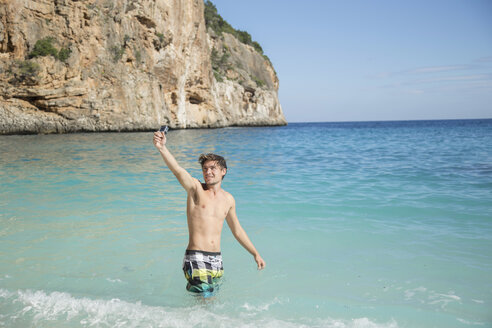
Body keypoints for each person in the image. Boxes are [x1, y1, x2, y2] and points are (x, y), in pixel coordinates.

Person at [153, 130, 266, 294]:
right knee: (206, 303)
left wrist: (255, 253)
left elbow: (237, 230)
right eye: (205, 169)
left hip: (216, 260)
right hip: (196, 257)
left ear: (223, 171)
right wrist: (162, 148)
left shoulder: (228, 199)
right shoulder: (195, 189)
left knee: (209, 305)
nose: (208, 172)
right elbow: (177, 170)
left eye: (213, 168)